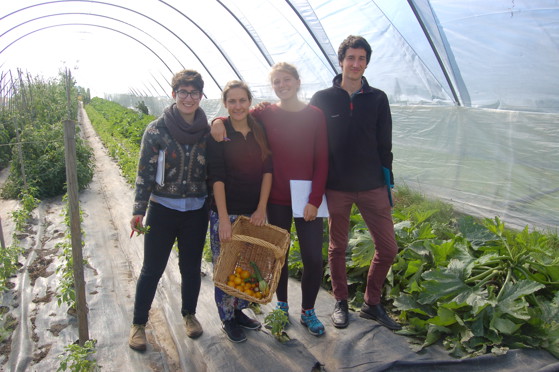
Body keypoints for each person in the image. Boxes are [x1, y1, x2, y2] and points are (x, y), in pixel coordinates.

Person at [212, 62, 329, 336]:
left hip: (308, 198)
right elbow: (236, 114)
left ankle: (309, 311)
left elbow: (323, 160)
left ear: (297, 82)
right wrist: (217, 121)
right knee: (278, 257)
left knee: (313, 258)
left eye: (286, 80)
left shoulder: (315, 115)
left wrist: (315, 198)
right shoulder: (266, 113)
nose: (282, 85)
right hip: (276, 196)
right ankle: (282, 306)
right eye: (277, 82)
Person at [309, 35, 401, 331]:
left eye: (362, 59)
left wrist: (388, 185)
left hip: (373, 184)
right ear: (341, 61)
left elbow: (384, 145)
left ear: (366, 63)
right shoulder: (323, 99)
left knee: (388, 248)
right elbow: (309, 139)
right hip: (337, 186)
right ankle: (340, 301)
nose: (356, 64)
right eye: (351, 58)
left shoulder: (377, 98)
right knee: (338, 247)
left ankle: (371, 303)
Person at [128, 69, 210, 351]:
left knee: (191, 267)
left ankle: (189, 315)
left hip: (196, 211)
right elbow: (145, 172)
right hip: (162, 209)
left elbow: (215, 174)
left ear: (201, 95)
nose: (189, 98)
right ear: (174, 95)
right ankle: (138, 324)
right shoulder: (156, 130)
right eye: (183, 92)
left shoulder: (208, 131)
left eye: (194, 93)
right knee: (152, 268)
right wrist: (138, 209)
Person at [207, 80, 273, 343]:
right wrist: (223, 218)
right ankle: (226, 319)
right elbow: (217, 178)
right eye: (232, 101)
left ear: (249, 102)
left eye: (242, 100)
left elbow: (268, 170)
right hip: (226, 213)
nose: (237, 106)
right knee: (225, 268)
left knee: (245, 267)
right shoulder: (219, 134)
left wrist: (261, 209)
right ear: (225, 104)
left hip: (251, 214)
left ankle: (238, 311)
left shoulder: (259, 129)